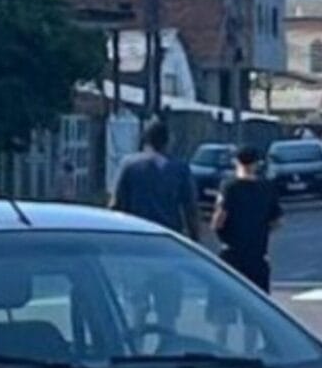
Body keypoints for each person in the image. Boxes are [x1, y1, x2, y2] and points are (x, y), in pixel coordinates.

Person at [110, 120, 199, 329]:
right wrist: (194, 242)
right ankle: (167, 347)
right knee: (168, 310)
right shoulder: (179, 169)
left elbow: (116, 206)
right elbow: (190, 209)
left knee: (136, 306)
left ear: (144, 140)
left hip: (134, 245)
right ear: (167, 141)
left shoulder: (129, 165)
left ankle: (136, 351)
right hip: (167, 244)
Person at [212, 145, 281, 292]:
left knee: (228, 302)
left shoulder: (229, 187)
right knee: (258, 305)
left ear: (236, 162)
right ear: (256, 164)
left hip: (232, 256)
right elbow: (277, 221)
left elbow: (220, 219)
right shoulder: (267, 188)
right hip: (257, 257)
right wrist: (261, 229)